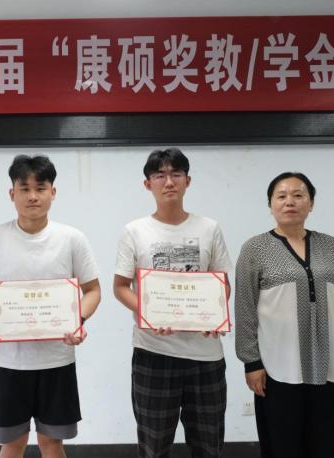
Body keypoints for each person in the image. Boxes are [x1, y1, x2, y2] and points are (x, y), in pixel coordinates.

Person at [0, 154, 101, 458]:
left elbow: (92, 290)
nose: (33, 196)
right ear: (11, 193)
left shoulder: (72, 239)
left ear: (53, 192)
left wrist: (77, 319)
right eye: (24, 189)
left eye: (40, 188)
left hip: (57, 360)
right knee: (12, 443)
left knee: (52, 443)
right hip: (8, 362)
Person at [113, 148, 232, 458]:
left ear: (187, 181)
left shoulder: (209, 228)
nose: (169, 182)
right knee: (154, 447)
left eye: (176, 174)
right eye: (160, 175)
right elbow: (120, 287)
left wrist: (215, 315)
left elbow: (222, 282)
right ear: (148, 184)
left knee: (209, 446)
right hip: (153, 353)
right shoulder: (134, 231)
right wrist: (149, 313)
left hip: (206, 356)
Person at [235, 172, 334, 458]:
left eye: (298, 195)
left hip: (330, 365)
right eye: (281, 196)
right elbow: (244, 308)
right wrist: (251, 362)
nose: (289, 201)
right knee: (282, 444)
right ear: (270, 204)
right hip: (277, 367)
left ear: (311, 203)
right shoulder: (255, 249)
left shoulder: (331, 246)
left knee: (326, 444)